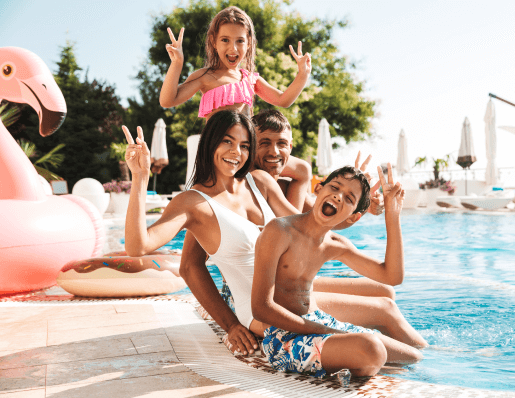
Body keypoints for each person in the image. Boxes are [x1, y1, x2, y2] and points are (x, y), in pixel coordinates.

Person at [179, 109, 427, 358]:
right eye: (263, 143)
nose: (275, 153)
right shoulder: (219, 197)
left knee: (386, 292)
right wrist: (230, 324)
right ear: (250, 146)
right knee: (384, 309)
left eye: (283, 145)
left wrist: (361, 201)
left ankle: (426, 355)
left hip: (284, 282)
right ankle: (422, 360)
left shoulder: (271, 188)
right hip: (252, 294)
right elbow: (190, 266)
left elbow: (312, 226)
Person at [122, 110, 299, 340]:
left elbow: (306, 228)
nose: (236, 152)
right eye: (227, 141)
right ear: (210, 143)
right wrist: (140, 177)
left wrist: (351, 199)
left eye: (245, 145)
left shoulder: (260, 182)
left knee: (363, 297)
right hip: (261, 310)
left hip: (293, 291)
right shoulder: (193, 203)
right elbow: (138, 247)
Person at [252, 165, 423, 377]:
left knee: (412, 356)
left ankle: (345, 362)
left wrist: (393, 216)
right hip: (283, 339)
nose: (339, 196)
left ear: (353, 217)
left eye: (350, 199)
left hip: (320, 322)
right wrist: (324, 331)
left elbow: (392, 277)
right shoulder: (279, 231)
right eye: (334, 187)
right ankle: (347, 362)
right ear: (319, 189)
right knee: (373, 349)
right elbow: (261, 308)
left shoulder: (335, 244)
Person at [159, 6, 311, 209]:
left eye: (240, 41)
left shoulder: (249, 79)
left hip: (250, 151)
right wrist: (177, 64)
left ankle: (292, 226)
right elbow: (168, 100)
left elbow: (283, 100)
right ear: (213, 41)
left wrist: (302, 75)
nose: (233, 48)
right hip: (224, 153)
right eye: (225, 40)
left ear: (249, 44)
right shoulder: (205, 77)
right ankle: (290, 225)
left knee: (302, 170)